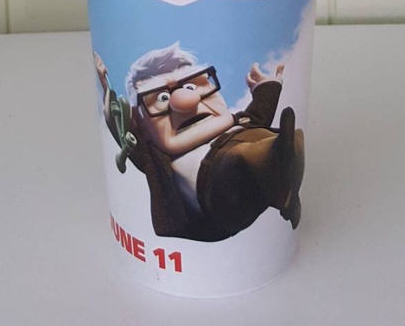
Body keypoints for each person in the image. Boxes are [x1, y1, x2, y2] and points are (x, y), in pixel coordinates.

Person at [93, 42, 305, 242]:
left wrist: (266, 87)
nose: (186, 101)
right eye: (162, 98)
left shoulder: (241, 122)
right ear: (140, 125)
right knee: (240, 160)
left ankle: (283, 183)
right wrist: (108, 93)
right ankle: (273, 164)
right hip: (217, 193)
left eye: (191, 87)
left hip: (252, 161)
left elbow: (258, 115)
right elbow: (123, 127)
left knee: (261, 139)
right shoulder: (155, 158)